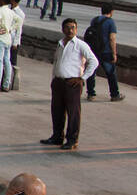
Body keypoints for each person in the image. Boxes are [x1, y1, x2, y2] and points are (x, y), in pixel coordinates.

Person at [42, 19, 100, 152]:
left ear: (76, 29)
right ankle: (57, 136)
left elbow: (94, 62)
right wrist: (53, 78)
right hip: (58, 82)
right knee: (57, 110)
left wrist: (82, 78)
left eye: (73, 27)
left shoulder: (80, 45)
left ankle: (72, 139)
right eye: (67, 28)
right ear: (63, 29)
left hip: (72, 83)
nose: (70, 30)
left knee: (73, 112)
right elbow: (57, 62)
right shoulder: (60, 44)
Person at [83, 5, 124, 103]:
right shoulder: (111, 22)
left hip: (93, 50)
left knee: (91, 72)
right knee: (111, 74)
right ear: (112, 11)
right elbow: (112, 38)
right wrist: (114, 53)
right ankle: (115, 95)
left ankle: (91, 94)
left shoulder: (95, 20)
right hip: (105, 52)